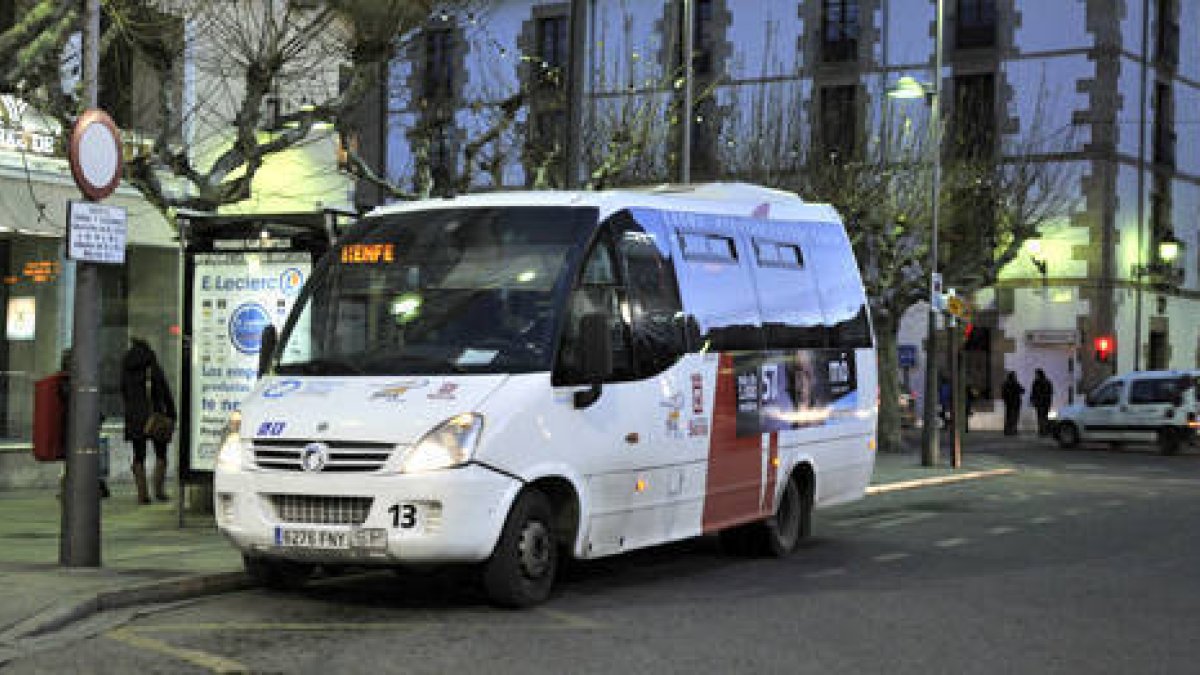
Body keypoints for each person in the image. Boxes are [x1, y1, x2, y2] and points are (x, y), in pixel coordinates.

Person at [120, 338, 175, 504]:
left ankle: (142, 495)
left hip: (134, 417)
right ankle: (159, 491)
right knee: (161, 454)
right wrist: (172, 413)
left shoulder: (126, 367)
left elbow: (123, 391)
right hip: (155, 416)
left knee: (139, 455)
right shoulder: (152, 365)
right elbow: (163, 390)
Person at [1030, 368, 1054, 436]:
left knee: (1040, 416)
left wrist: (1033, 400)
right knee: (1044, 416)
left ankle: (1042, 431)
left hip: (1040, 402)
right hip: (1046, 402)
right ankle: (1044, 430)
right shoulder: (1047, 381)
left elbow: (1033, 392)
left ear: (1038, 374)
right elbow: (1050, 392)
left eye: (1036, 374)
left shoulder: (1036, 382)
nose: (1035, 375)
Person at [1001, 371, 1025, 436]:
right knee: (1015, 417)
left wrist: (1005, 400)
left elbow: (1003, 394)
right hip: (1016, 403)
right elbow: (1022, 390)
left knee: (1008, 417)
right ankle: (1013, 430)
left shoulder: (1005, 384)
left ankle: (1007, 430)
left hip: (1009, 403)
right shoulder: (1016, 383)